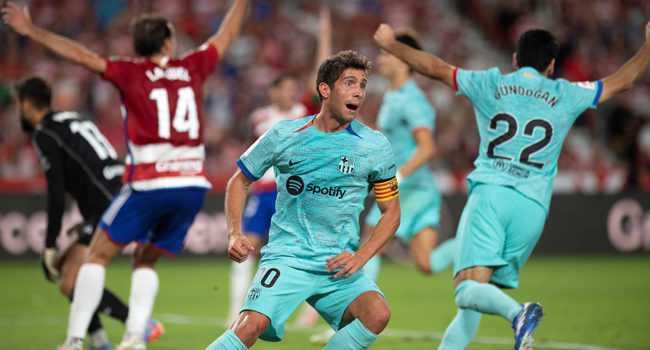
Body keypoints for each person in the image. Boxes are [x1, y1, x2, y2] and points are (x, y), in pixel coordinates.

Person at [374, 22, 650, 350]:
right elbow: (625, 80)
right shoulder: (568, 92)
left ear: (516, 59)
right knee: (473, 303)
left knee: (466, 291)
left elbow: (433, 67)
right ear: (550, 65)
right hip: (533, 209)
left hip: (492, 196)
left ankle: (518, 313)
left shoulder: (491, 83)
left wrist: (392, 45)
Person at [2, 1, 249, 349]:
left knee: (97, 255)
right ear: (166, 42)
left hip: (149, 183)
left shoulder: (131, 72)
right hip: (192, 185)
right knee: (145, 257)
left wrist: (32, 32)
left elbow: (82, 56)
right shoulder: (191, 66)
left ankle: (74, 340)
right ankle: (134, 336)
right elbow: (227, 34)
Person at [206, 50, 401, 350]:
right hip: (289, 258)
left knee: (376, 313)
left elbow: (391, 212)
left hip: (338, 264)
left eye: (362, 84)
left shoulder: (375, 146)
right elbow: (239, 180)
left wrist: (361, 256)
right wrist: (234, 232)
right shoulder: (286, 134)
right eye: (349, 83)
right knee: (248, 328)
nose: (359, 92)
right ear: (325, 89)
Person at [14, 76, 163, 350]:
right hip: (118, 191)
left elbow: (56, 193)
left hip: (108, 202)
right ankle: (100, 341)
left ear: (25, 104)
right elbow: (91, 164)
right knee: (64, 270)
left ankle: (136, 324)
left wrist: (48, 244)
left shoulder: (45, 133)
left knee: (70, 279)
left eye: (18, 105)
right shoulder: (72, 119)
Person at [227, 6, 332, 328]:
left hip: (297, 191)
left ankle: (314, 310)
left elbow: (323, 71)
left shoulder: (305, 111)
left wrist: (324, 33)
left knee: (310, 249)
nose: (291, 91)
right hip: (264, 190)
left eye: (293, 87)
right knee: (247, 245)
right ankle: (235, 310)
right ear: (274, 91)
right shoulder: (259, 118)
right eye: (285, 87)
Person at [363, 28, 456, 282]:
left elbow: (427, 147)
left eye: (386, 53)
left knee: (371, 241)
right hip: (421, 188)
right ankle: (470, 244)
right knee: (426, 264)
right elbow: (388, 138)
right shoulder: (394, 96)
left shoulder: (411, 99)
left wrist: (399, 177)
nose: (381, 59)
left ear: (403, 60)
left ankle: (355, 316)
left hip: (410, 187)